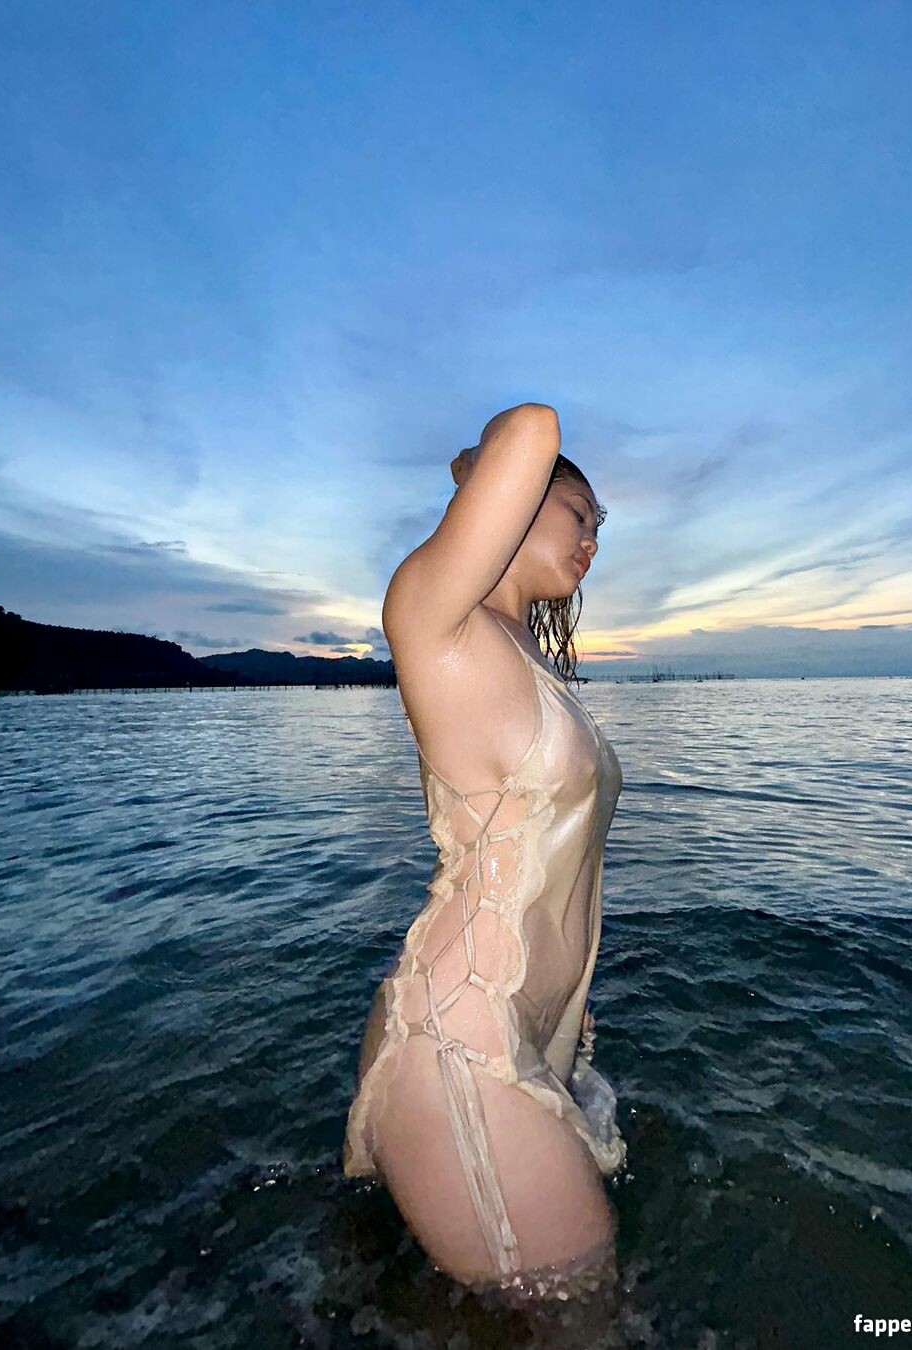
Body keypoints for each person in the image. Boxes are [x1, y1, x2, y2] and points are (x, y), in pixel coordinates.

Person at [342, 402, 626, 1307]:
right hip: (461, 1048)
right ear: (519, 497)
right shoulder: (437, 623)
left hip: (527, 1038)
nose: (593, 540)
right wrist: (482, 470)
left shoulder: (525, 659)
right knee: (585, 1318)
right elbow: (533, 427)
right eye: (578, 514)